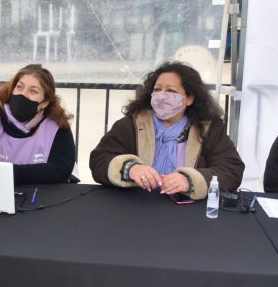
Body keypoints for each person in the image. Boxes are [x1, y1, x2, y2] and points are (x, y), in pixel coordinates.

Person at [89, 61, 244, 199]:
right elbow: (99, 159)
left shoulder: (209, 129)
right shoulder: (131, 124)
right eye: (157, 90)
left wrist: (190, 180)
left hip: (188, 212)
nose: (162, 96)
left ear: (189, 99)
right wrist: (129, 168)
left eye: (171, 91)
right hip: (136, 207)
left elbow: (231, 170)